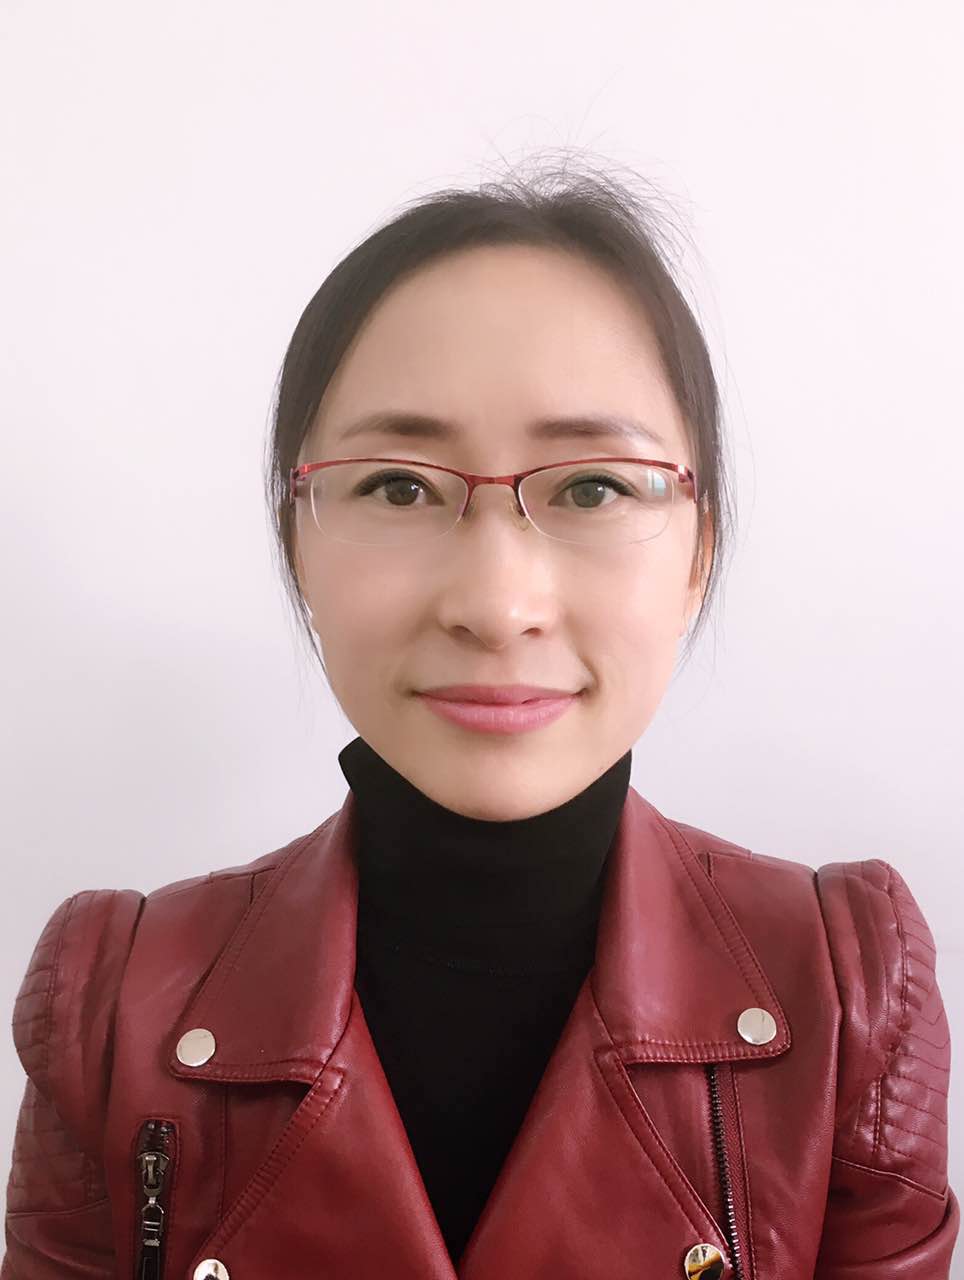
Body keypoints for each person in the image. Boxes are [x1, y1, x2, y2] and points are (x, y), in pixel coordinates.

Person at [2, 159, 958, 1280]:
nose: (497, 606)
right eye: (399, 486)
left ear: (699, 551)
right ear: (297, 543)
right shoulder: (115, 1000)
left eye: (593, 486)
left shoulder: (845, 990)